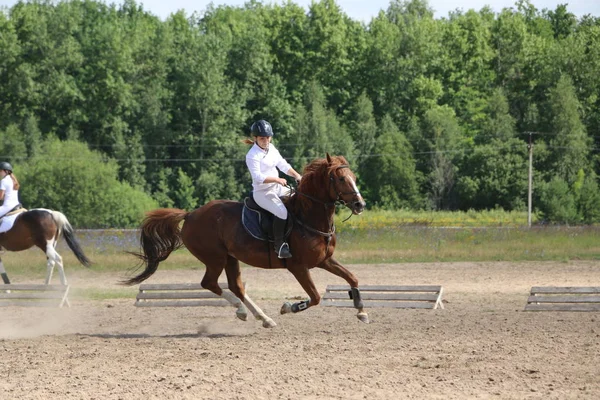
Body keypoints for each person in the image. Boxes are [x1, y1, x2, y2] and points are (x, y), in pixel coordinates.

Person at [245, 120, 302, 259]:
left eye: (268, 137)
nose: (266, 141)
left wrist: (297, 175)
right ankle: (279, 245)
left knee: (300, 198)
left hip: (277, 188)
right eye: (262, 138)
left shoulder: (272, 148)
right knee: (282, 212)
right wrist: (277, 179)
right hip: (262, 192)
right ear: (255, 139)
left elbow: (282, 164)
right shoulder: (252, 155)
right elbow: (258, 177)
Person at [0, 161, 21, 234]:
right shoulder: (13, 180)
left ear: (5, 171)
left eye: (0, 171)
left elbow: (0, 197)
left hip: (7, 206)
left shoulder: (3, 181)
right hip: (17, 205)